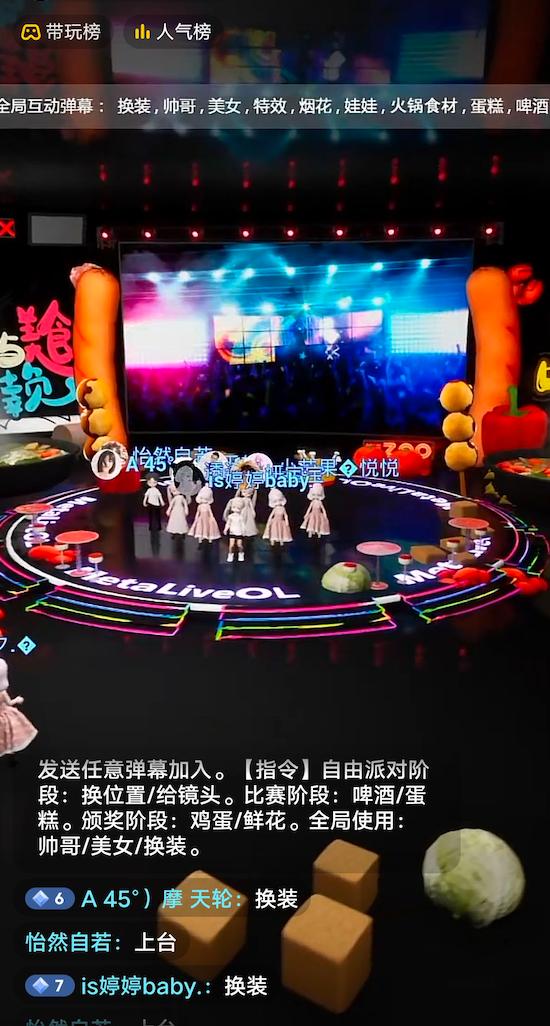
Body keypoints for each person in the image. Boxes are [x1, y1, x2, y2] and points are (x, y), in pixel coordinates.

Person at [0, 658, 37, 761]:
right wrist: (17, 700)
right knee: (8, 736)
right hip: (4, 716)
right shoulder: (2, 693)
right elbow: (9, 703)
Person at [223, 497, 246, 562]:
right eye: (234, 507)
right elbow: (228, 523)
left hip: (239, 532)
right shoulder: (230, 516)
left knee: (239, 545)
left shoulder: (241, 517)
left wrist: (243, 531)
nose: (235, 509)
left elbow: (242, 525)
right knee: (231, 545)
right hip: (232, 532)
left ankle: (241, 554)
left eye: (238, 508)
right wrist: (225, 529)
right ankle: (230, 555)